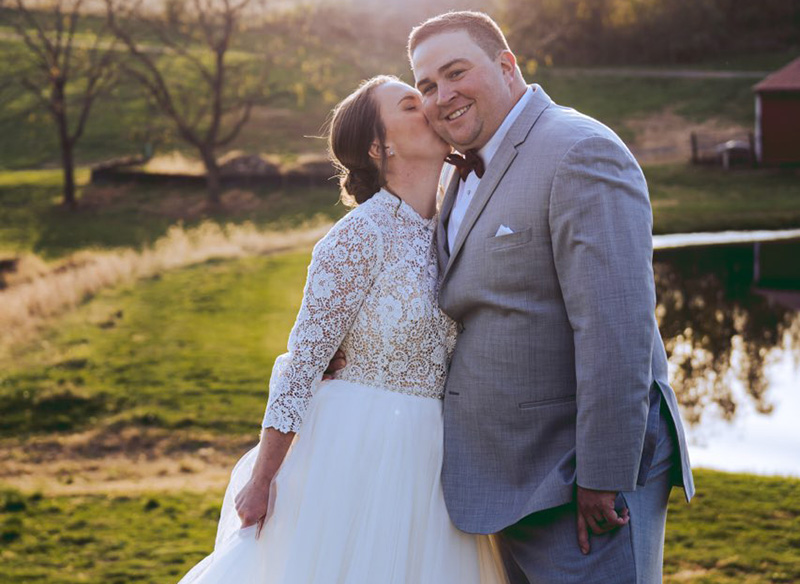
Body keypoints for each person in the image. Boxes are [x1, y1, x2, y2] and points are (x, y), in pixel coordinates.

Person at [328, 10, 696, 584]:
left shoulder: (578, 152)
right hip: (506, 480)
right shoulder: (459, 174)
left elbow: (616, 331)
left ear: (506, 65)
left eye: (455, 72)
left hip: (578, 484)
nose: (442, 96)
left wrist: (603, 476)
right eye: (427, 86)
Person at [176, 75, 508, 584]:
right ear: (381, 146)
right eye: (411, 104)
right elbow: (303, 362)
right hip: (359, 450)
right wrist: (263, 478)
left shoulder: (455, 223)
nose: (432, 107)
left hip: (439, 459)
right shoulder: (359, 235)